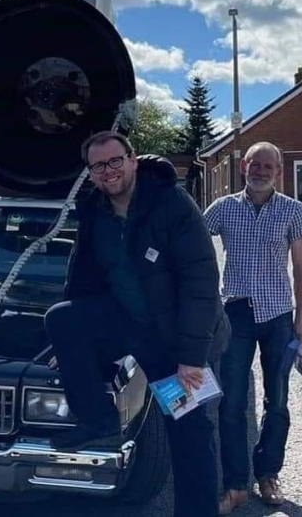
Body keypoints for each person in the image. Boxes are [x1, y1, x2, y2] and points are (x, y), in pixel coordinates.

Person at [44, 131, 230, 517]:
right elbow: (83, 275)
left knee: (189, 433)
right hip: (129, 322)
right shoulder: (95, 208)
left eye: (115, 161)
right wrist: (76, 350)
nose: (108, 171)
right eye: (98, 166)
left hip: (175, 338)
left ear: (132, 159)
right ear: (91, 173)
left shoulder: (170, 202)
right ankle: (99, 419)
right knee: (62, 319)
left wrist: (191, 358)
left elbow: (200, 281)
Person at [203, 141, 302, 514]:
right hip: (234, 317)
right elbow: (193, 245)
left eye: (269, 166)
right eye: (255, 164)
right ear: (243, 167)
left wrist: (301, 319)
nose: (262, 171)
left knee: (277, 401)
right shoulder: (223, 209)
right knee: (230, 402)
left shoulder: (293, 211)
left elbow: (300, 269)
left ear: (279, 171)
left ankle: (267, 474)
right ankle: (235, 485)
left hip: (278, 317)